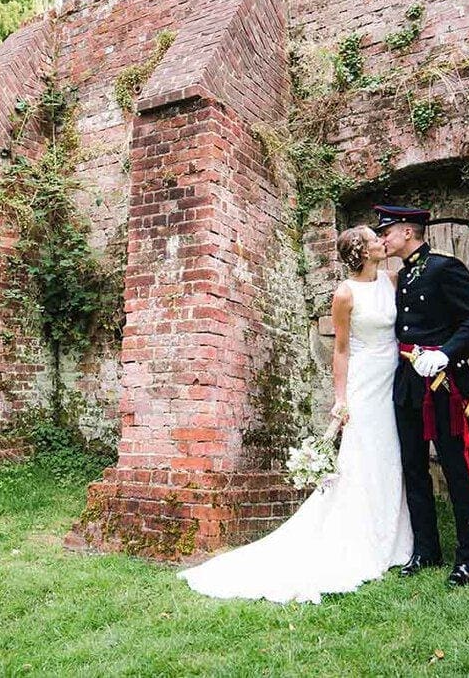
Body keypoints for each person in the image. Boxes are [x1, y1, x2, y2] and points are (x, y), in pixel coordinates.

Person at [177, 226, 413, 603]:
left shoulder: (391, 279)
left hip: (394, 376)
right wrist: (340, 398)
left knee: (391, 455)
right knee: (366, 455)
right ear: (361, 251)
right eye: (374, 239)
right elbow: (341, 350)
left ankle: (397, 537)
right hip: (365, 383)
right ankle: (360, 539)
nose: (382, 241)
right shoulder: (344, 293)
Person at [374, 205, 469, 587]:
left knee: (456, 467)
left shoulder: (444, 268)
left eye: (387, 232)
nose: (382, 239)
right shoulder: (403, 276)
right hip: (409, 381)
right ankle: (426, 548)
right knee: (413, 466)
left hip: (443, 381)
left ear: (408, 231)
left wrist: (445, 353)